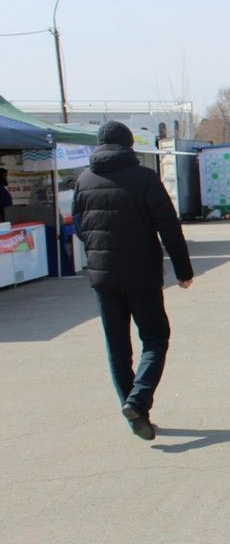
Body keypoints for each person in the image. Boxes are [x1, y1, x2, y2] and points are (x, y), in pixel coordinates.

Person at [72, 121, 194, 441]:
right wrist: (183, 271)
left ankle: (134, 413)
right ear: (129, 145)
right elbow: (169, 226)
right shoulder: (144, 178)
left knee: (117, 347)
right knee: (155, 338)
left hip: (102, 276)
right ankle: (138, 402)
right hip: (142, 274)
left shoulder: (84, 179)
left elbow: (79, 225)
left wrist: (97, 255)